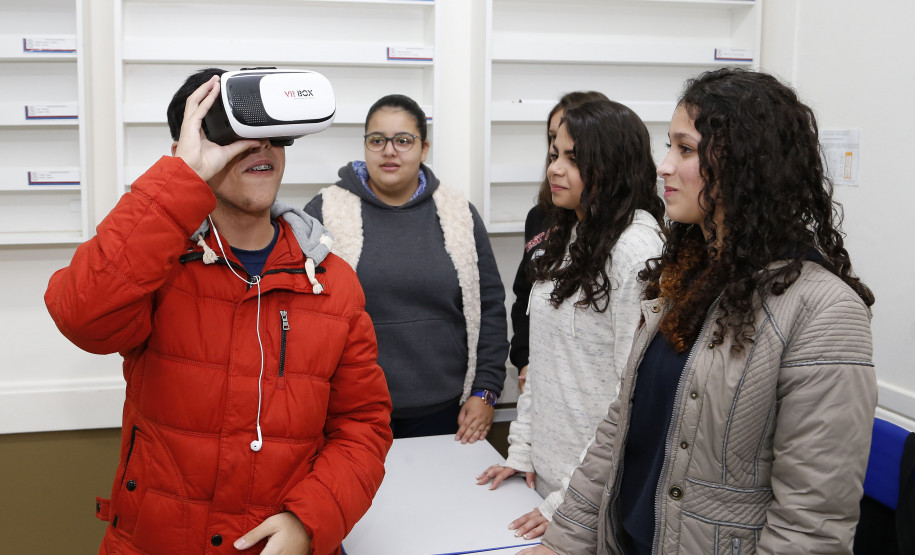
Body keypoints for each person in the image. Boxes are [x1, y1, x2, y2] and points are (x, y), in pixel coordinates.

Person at [522, 68, 877, 555]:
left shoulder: (823, 311)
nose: (663, 167)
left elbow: (810, 525)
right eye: (669, 147)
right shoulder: (682, 276)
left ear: (746, 165)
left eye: (684, 150)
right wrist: (561, 542)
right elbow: (618, 431)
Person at [44, 68, 393, 555]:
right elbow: (81, 314)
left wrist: (308, 521)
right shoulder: (159, 270)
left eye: (272, 136)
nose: (259, 147)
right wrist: (178, 180)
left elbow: (363, 426)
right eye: (234, 134)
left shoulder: (331, 284)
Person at [477, 98, 665, 540]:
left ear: (612, 165)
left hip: (595, 498)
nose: (555, 169)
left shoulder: (637, 249)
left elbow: (632, 396)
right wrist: (521, 451)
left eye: (573, 159)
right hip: (546, 481)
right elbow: (542, 362)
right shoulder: (572, 231)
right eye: (554, 154)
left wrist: (569, 502)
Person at [304, 94, 508, 442]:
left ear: (424, 148)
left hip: (449, 413)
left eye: (403, 140)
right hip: (352, 413)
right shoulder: (326, 211)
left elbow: (489, 307)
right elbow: (301, 311)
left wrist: (485, 391)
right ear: (365, 145)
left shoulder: (458, 212)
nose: (389, 150)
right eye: (377, 140)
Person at [509, 91, 610, 394]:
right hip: (544, 381)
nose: (556, 163)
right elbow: (526, 296)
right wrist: (525, 360)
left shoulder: (624, 236)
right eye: (554, 144)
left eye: (573, 153)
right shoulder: (540, 217)